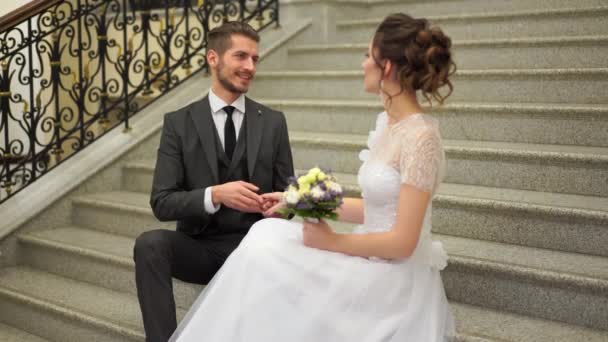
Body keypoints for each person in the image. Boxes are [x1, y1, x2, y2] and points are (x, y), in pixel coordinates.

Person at [171, 13, 457, 342]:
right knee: (265, 233)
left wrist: (333, 242)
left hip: (392, 274)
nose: (363, 64)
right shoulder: (388, 125)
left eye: (368, 55)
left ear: (387, 67)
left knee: (268, 256)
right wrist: (298, 200)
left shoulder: (421, 139)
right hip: (369, 252)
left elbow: (403, 242)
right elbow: (378, 207)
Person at [133, 21, 294, 342]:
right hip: (201, 248)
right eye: (240, 56)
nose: (250, 66)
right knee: (150, 244)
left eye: (254, 59)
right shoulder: (178, 123)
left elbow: (289, 195)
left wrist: (279, 205)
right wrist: (215, 194)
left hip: (255, 247)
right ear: (213, 58)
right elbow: (162, 202)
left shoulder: (273, 122)